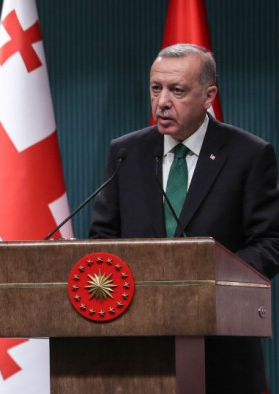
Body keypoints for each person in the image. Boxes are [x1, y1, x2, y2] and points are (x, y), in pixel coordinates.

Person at [89, 43, 279, 393]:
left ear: (209, 95)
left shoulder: (249, 154)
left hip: (222, 351)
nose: (162, 101)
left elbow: (270, 242)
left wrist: (209, 279)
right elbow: (103, 236)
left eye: (177, 90)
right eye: (156, 88)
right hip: (137, 350)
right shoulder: (125, 152)